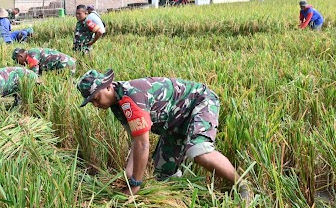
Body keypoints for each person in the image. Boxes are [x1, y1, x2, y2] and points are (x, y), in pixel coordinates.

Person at [76, 69, 251, 200]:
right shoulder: (118, 105)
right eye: (91, 102)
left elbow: (143, 144)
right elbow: (135, 142)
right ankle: (183, 201)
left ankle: (243, 185)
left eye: (96, 98)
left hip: (199, 103)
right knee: (163, 175)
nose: (96, 105)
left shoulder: (131, 99)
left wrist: (135, 185)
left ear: (107, 87)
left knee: (198, 151)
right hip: (174, 122)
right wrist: (129, 177)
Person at [12, 47, 76, 75]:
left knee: (68, 85)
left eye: (17, 61)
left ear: (20, 56)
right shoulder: (32, 53)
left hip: (65, 64)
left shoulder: (31, 55)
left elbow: (34, 75)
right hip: (67, 63)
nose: (19, 63)